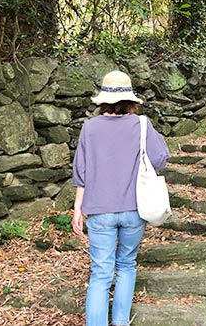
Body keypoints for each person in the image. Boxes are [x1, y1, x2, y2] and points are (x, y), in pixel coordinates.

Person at [72, 70, 170, 326]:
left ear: (102, 98)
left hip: (99, 210)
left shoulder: (89, 128)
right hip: (133, 209)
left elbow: (81, 172)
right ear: (131, 100)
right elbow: (160, 159)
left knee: (100, 274)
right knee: (126, 265)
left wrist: (77, 209)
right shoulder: (142, 125)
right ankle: (121, 322)